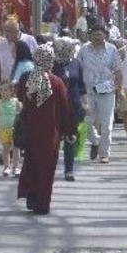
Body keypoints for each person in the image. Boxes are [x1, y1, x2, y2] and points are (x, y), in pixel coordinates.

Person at [17, 44, 75, 214]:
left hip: (31, 131)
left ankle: (31, 195)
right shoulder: (57, 83)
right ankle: (42, 204)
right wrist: (70, 130)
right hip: (51, 133)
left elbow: (20, 97)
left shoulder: (27, 78)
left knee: (31, 164)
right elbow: (65, 109)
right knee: (46, 168)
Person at [77, 24, 122, 163]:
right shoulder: (84, 50)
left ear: (105, 35)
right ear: (90, 35)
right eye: (94, 34)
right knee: (85, 122)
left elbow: (118, 71)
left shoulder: (112, 50)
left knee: (107, 124)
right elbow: (77, 69)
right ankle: (95, 141)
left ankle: (104, 153)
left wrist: (120, 90)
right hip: (88, 91)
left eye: (99, 34)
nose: (97, 37)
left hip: (107, 91)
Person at [52, 37, 85, 181]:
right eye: (69, 47)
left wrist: (85, 103)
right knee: (53, 138)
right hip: (55, 107)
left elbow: (82, 86)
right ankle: (49, 168)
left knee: (70, 137)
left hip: (73, 106)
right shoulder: (52, 64)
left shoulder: (76, 63)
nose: (72, 49)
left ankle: (69, 170)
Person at [0, 19, 39, 90]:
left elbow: (38, 61)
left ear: (17, 31)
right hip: (6, 87)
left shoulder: (30, 40)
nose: (5, 34)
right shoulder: (2, 44)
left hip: (25, 86)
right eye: (4, 31)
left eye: (8, 31)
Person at [0, 82, 21, 177]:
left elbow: (21, 115)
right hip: (3, 130)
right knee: (5, 149)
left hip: (15, 129)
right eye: (1, 90)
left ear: (12, 91)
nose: (3, 92)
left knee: (16, 149)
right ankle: (6, 167)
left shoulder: (16, 102)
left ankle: (16, 167)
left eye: (6, 90)